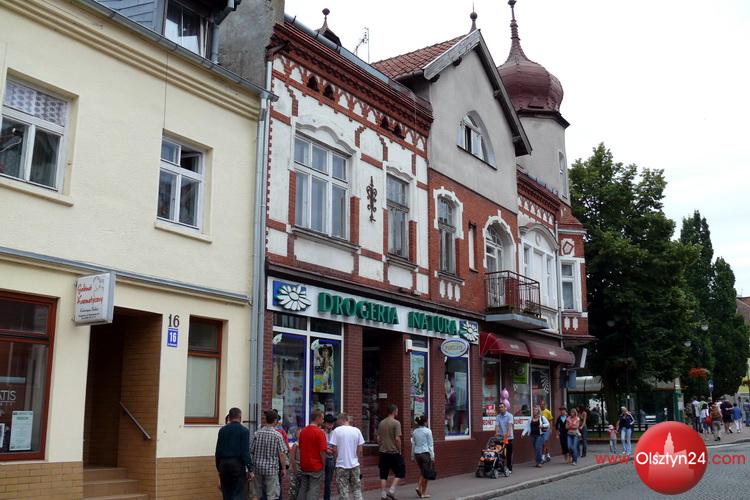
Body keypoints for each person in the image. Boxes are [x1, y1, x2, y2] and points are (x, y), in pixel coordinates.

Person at [215, 407, 253, 500]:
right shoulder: (244, 431)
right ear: (240, 417)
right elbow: (245, 451)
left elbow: (218, 451)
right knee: (238, 493)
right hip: (237, 464)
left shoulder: (222, 430)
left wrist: (218, 467)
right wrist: (250, 468)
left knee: (226, 493)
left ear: (229, 417)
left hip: (223, 464)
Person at [249, 411, 287, 500]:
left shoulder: (257, 433)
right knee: (271, 495)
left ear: (266, 420)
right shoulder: (277, 435)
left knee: (256, 494)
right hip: (271, 469)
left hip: (257, 467)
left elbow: (251, 450)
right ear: (275, 421)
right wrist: (284, 468)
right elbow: (282, 454)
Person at [329, 413, 365, 500]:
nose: (337, 422)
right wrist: (356, 459)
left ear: (341, 420)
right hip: (354, 465)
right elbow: (360, 450)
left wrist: (336, 459)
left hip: (341, 465)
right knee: (357, 490)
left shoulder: (336, 431)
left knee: (343, 491)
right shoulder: (357, 431)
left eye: (338, 420)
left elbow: (334, 449)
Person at [297, 410, 328, 500]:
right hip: (316, 465)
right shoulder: (320, 432)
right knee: (314, 490)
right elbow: (322, 451)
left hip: (304, 464)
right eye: (322, 418)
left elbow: (301, 447)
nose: (323, 420)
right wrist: (324, 464)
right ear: (317, 418)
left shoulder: (303, 431)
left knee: (303, 488)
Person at [377, 404, 405, 500]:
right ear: (394, 411)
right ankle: (392, 490)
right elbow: (397, 439)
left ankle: (383, 495)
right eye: (397, 411)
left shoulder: (381, 423)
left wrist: (381, 446)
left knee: (383, 474)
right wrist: (399, 450)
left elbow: (378, 438)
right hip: (393, 452)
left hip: (383, 452)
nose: (397, 412)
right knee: (401, 471)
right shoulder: (396, 423)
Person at [411, 415, 435, 498]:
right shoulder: (428, 431)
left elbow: (413, 444)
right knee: (426, 473)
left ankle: (422, 493)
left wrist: (412, 456)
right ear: (425, 422)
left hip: (417, 454)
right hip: (425, 453)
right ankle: (419, 488)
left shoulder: (415, 431)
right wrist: (432, 455)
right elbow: (430, 444)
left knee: (423, 471)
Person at [494, 402, 514, 474]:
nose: (500, 408)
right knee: (499, 452)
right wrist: (496, 433)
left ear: (505, 408)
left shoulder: (510, 416)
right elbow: (497, 426)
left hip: (508, 437)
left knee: (508, 453)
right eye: (499, 407)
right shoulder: (498, 417)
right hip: (500, 437)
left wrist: (508, 434)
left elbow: (509, 426)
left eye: (502, 407)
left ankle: (509, 468)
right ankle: (500, 467)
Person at [322, 414, 337, 500]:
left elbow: (336, 445)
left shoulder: (335, 433)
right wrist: (326, 449)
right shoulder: (321, 432)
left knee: (328, 482)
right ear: (324, 423)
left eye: (332, 423)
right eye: (329, 423)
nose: (331, 425)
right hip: (322, 458)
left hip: (331, 458)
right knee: (318, 480)